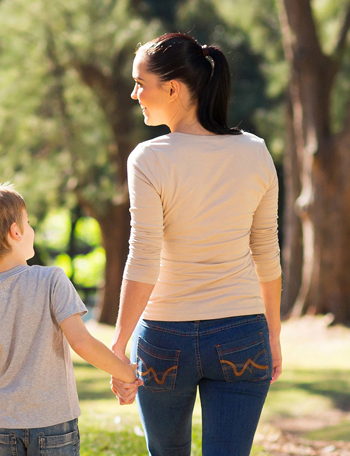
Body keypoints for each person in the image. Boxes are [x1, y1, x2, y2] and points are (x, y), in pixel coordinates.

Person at [109, 32, 282, 456]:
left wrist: (117, 347)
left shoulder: (149, 159)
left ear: (172, 88)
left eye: (140, 83)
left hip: (165, 340)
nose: (135, 94)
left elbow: (143, 256)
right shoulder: (256, 152)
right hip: (243, 332)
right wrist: (272, 336)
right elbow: (267, 254)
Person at [0, 183, 141, 455]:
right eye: (28, 223)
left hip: (2, 427)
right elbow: (82, 342)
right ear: (16, 232)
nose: (32, 229)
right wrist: (126, 373)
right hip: (53, 424)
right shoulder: (51, 279)